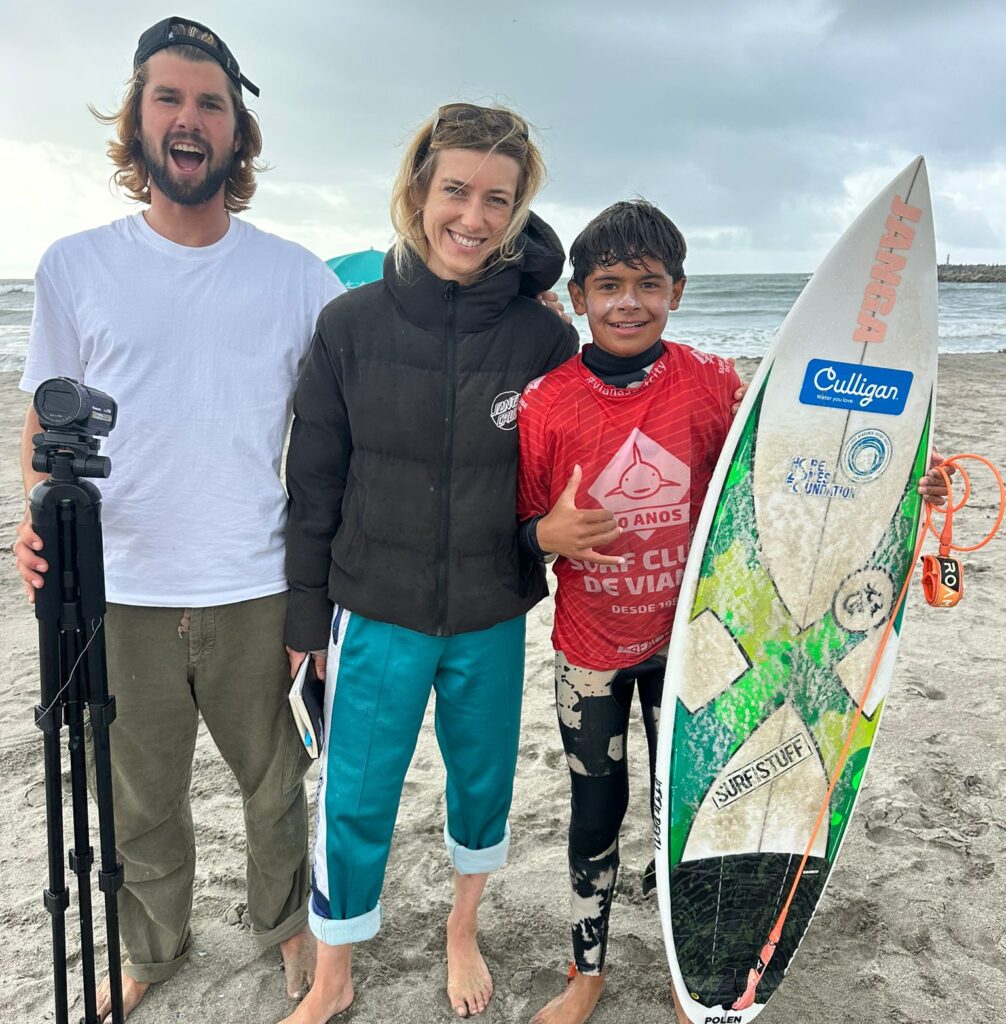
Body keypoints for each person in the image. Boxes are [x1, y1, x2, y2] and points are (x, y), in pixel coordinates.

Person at [516, 199, 954, 1024]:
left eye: (648, 284)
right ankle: (587, 974)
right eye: (607, 286)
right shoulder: (546, 404)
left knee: (692, 800)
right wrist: (546, 532)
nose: (628, 302)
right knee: (596, 809)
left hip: (705, 644)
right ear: (578, 298)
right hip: (594, 648)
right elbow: (515, 530)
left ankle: (697, 951)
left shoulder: (714, 384)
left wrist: (899, 484)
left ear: (677, 290)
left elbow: (795, 476)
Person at [13, 18, 345, 1021]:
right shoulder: (74, 265)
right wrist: (34, 522)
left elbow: (378, 367)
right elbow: (41, 423)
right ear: (138, 119)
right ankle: (153, 942)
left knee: (275, 783)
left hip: (256, 585)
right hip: (119, 589)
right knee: (139, 797)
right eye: (170, 99)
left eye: (211, 103)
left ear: (237, 132)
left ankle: (287, 927)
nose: (190, 119)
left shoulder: (294, 275)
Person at [280, 103, 579, 1021]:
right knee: (356, 794)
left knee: (483, 780)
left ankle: (462, 928)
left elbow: (583, 461)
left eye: (500, 198)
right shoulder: (349, 324)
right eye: (456, 190)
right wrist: (304, 621)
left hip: (492, 609)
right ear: (418, 190)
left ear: (520, 209)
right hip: (374, 605)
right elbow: (315, 480)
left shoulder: (543, 339)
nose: (474, 217)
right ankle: (334, 976)